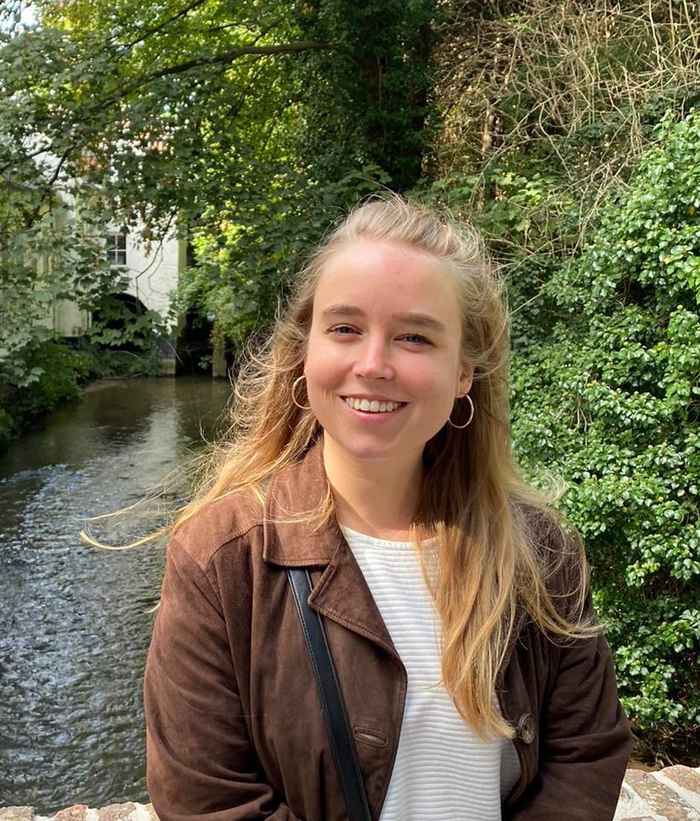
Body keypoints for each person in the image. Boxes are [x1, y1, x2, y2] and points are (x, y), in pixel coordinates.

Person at [143, 194, 633, 821]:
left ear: (464, 372)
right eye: (345, 329)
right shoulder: (222, 558)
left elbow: (586, 757)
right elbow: (207, 802)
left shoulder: (539, 553)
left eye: (414, 337)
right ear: (306, 350)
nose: (373, 365)